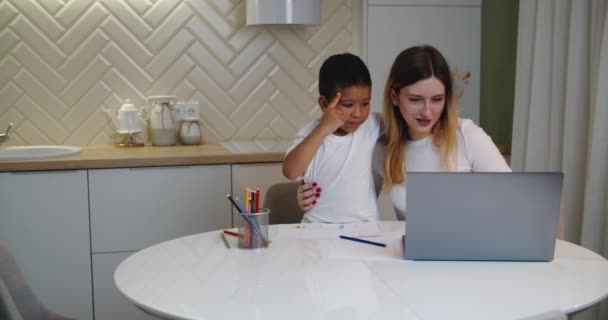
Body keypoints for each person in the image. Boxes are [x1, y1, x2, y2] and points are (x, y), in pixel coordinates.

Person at [298, 45, 511, 220]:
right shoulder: (380, 144)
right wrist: (312, 195)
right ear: (394, 97)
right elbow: (352, 194)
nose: (427, 111)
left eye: (437, 99)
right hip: (414, 262)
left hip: (474, 255)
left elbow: (512, 202)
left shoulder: (467, 135)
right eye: (415, 99)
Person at [282, 53, 382, 223]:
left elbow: (405, 123)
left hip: (366, 230)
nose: (358, 113)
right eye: (348, 105)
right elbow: (290, 172)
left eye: (365, 103)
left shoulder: (372, 124)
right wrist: (323, 129)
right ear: (324, 104)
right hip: (317, 229)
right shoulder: (311, 133)